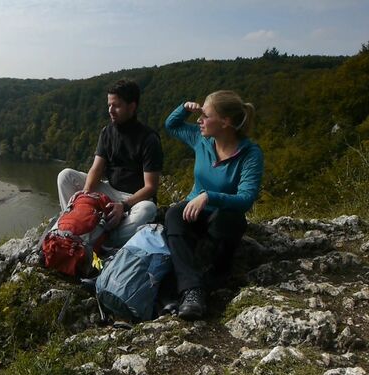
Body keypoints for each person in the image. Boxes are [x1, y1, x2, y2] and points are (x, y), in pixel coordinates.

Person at [164, 91, 264, 320]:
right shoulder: (202, 140)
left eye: (206, 115)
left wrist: (209, 196)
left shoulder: (250, 154)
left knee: (227, 219)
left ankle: (217, 275)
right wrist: (184, 108)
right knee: (173, 215)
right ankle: (193, 291)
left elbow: (246, 199)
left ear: (226, 122)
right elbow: (171, 125)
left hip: (223, 218)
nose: (199, 120)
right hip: (195, 213)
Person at [57, 79, 163, 248]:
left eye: (116, 105)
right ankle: (72, 223)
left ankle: (100, 240)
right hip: (109, 189)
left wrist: (124, 205)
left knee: (147, 210)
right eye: (109, 105)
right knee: (66, 176)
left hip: (134, 198)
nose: (110, 110)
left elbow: (151, 187)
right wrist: (86, 194)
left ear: (132, 106)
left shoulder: (149, 139)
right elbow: (96, 168)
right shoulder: (107, 132)